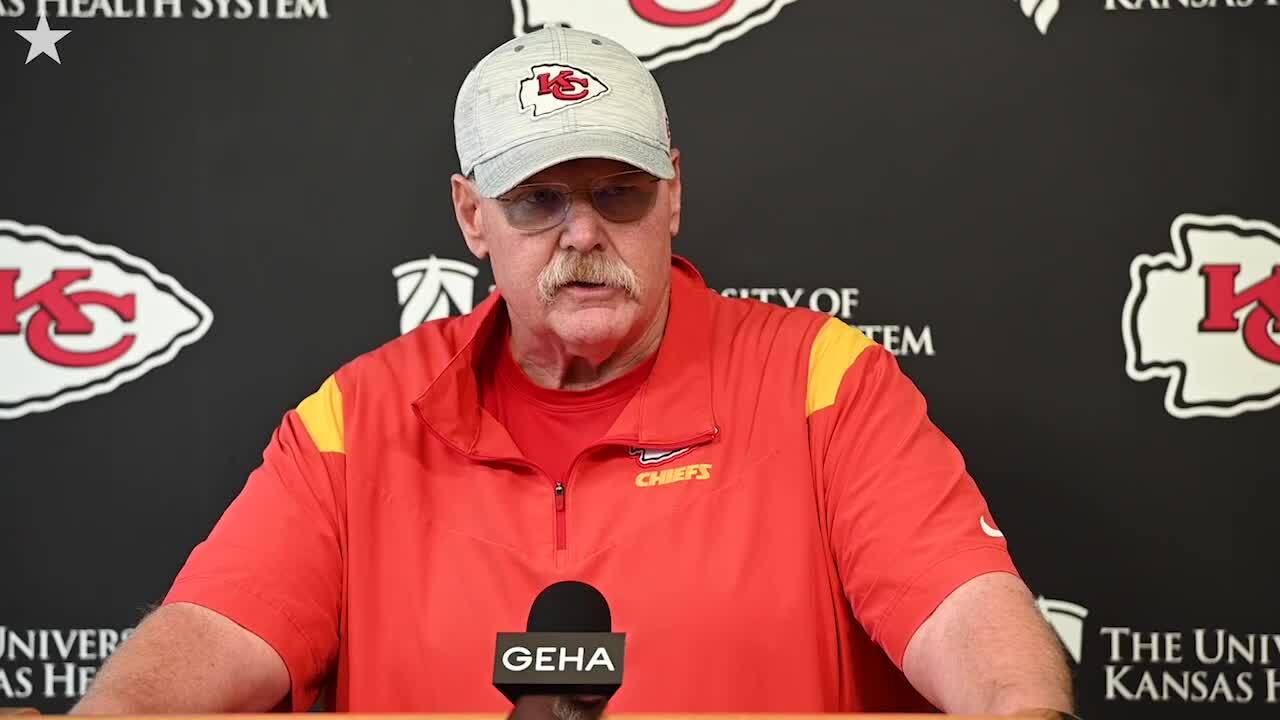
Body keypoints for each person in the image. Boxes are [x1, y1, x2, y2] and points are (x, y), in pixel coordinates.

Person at [71, 25, 1075, 718]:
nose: (583, 233)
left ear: (673, 195)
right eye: (538, 200)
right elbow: (207, 642)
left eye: (617, 193)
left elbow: (967, 615)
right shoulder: (358, 417)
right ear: (472, 217)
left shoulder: (823, 382)